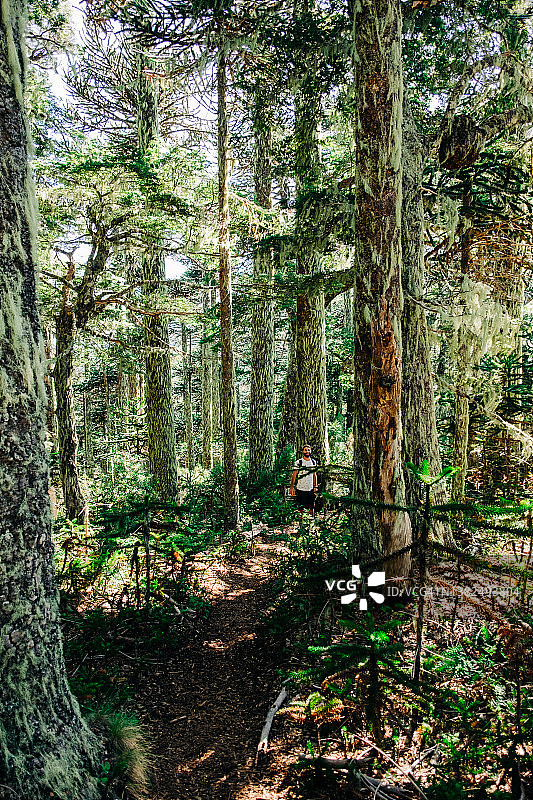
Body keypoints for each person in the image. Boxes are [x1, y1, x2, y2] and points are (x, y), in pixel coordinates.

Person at [290, 444, 318, 518]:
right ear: (303, 451)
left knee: (311, 507)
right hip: (300, 488)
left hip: (310, 488)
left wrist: (315, 486)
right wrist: (292, 487)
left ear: (311, 451)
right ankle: (301, 522)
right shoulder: (298, 462)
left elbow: (314, 475)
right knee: (300, 508)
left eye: (308, 450)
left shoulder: (313, 462)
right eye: (305, 450)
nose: (307, 451)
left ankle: (311, 521)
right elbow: (294, 475)